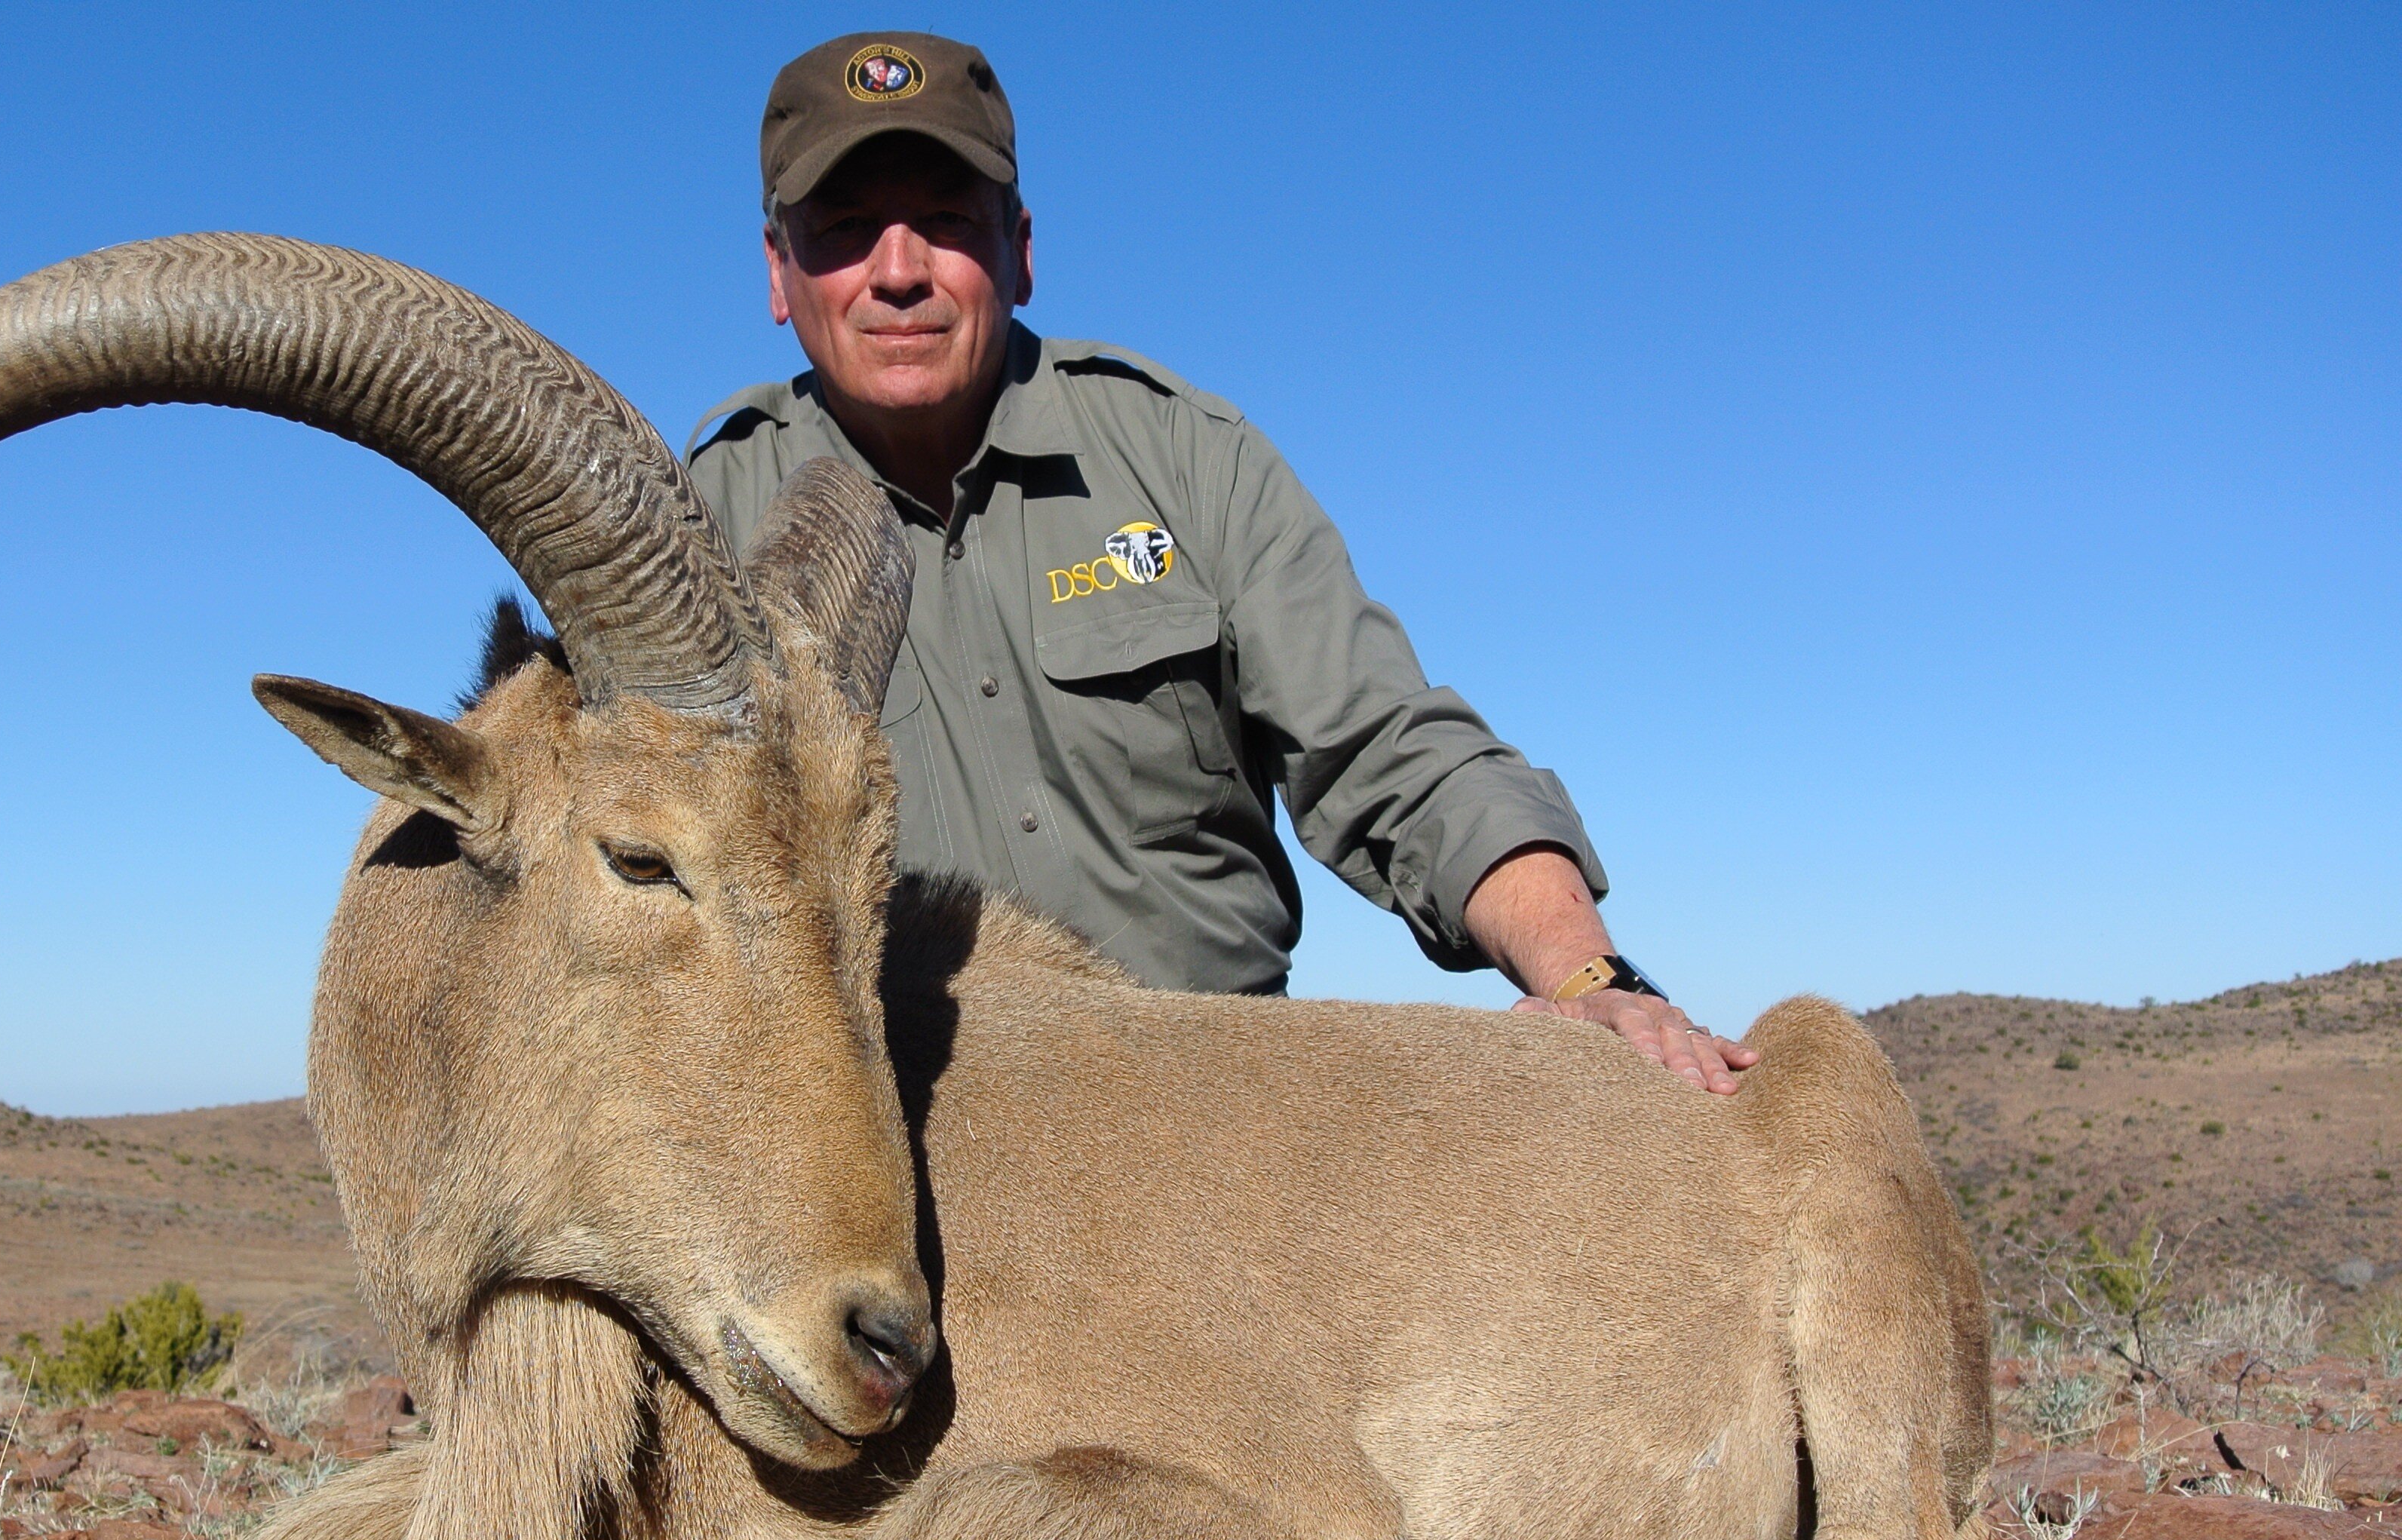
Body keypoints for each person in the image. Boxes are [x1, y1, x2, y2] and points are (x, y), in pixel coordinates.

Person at [686, 32, 1756, 1092]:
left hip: (1223, 1134)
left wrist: (1589, 978)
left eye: (948, 221)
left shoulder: (1185, 455)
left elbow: (1390, 750)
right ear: (779, 272)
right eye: (845, 229)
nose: (900, 271)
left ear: (1019, 249)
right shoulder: (695, 530)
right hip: (886, 1139)